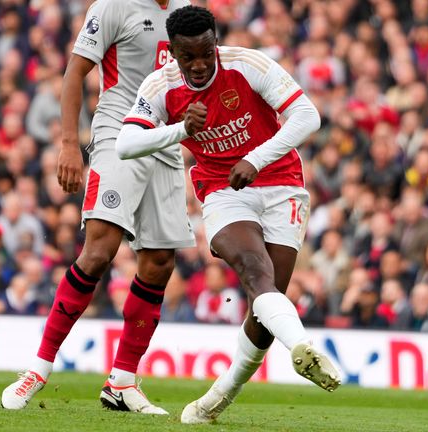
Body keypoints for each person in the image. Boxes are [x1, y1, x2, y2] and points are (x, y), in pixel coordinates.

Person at [113, 6, 340, 424]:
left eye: (205, 53)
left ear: (215, 43)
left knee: (265, 308)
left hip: (282, 185)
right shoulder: (161, 85)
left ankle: (218, 397)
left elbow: (308, 115)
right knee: (256, 272)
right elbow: (125, 144)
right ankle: (303, 348)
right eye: (188, 58)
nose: (198, 66)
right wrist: (182, 130)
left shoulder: (248, 64)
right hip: (222, 192)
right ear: (174, 54)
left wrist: (255, 159)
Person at [1, 0, 196, 415]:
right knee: (99, 251)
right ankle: (37, 369)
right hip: (118, 135)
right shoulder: (111, 6)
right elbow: (74, 73)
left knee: (160, 261)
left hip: (165, 141)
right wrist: (69, 144)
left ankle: (122, 381)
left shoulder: (186, 8)